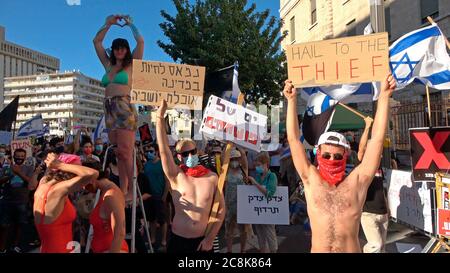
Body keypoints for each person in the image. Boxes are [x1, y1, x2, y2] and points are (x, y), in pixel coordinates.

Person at [283, 74, 396, 252]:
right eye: (326, 156)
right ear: (318, 153)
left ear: (345, 155)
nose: (331, 160)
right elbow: (294, 140)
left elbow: (377, 140)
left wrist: (383, 97)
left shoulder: (356, 182)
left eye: (337, 156)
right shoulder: (311, 179)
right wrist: (291, 100)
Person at [156, 100, 225, 253]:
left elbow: (221, 210)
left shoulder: (212, 177)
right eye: (185, 153)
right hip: (178, 240)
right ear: (179, 156)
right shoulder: (176, 176)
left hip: (203, 242)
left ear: (197, 151)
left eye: (193, 151)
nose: (190, 155)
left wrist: (209, 239)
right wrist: (160, 118)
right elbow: (163, 150)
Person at [93, 14, 144, 200]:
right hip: (109, 108)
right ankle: (123, 187)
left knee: (126, 150)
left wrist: (131, 25)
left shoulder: (132, 65)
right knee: (118, 152)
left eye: (122, 48)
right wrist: (107, 24)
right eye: (116, 48)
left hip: (124, 106)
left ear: (126, 50)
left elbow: (140, 41)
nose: (119, 51)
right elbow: (97, 41)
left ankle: (133, 188)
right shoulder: (108, 64)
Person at [33, 153, 98, 253]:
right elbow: (92, 173)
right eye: (77, 171)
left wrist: (54, 162)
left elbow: (50, 171)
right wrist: (61, 165)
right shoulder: (58, 190)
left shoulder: (43, 183)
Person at [358, 117, 389, 253]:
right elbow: (361, 149)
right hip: (368, 213)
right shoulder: (364, 165)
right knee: (375, 245)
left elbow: (383, 190)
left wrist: (388, 209)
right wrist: (367, 127)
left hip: (383, 213)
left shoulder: (381, 168)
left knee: (381, 247)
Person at [82, 161, 128, 253]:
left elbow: (120, 232)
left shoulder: (111, 194)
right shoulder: (105, 192)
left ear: (91, 178)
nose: (83, 187)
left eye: (83, 182)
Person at [0, 148, 40, 253]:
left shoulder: (29, 168)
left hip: (22, 201)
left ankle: (16, 245)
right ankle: (2, 248)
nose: (20, 158)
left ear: (25, 157)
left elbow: (31, 183)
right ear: (14, 156)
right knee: (4, 225)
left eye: (22, 156)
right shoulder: (7, 168)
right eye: (18, 156)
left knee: (20, 224)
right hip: (7, 200)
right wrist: (9, 176)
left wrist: (18, 173)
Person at [248, 152, 278, 253]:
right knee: (260, 236)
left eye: (258, 165)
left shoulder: (272, 176)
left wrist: (255, 183)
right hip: (258, 211)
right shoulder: (257, 176)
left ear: (265, 164)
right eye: (255, 165)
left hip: (268, 212)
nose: (256, 167)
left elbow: (269, 193)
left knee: (270, 235)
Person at [142, 144, 169, 251]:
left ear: (157, 151)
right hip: (149, 196)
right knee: (151, 220)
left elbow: (167, 181)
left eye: (151, 151)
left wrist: (164, 196)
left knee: (162, 220)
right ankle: (152, 239)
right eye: (147, 151)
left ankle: (163, 241)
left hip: (160, 196)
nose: (149, 153)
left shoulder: (162, 164)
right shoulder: (146, 165)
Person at [224, 147, 250, 253]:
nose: (234, 160)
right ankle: (229, 251)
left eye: (236, 158)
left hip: (242, 205)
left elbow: (243, 154)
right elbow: (223, 156)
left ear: (239, 160)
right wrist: (229, 145)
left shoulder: (244, 170)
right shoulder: (226, 171)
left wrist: (237, 144)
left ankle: (242, 251)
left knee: (243, 229)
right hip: (229, 204)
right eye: (232, 158)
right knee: (229, 229)